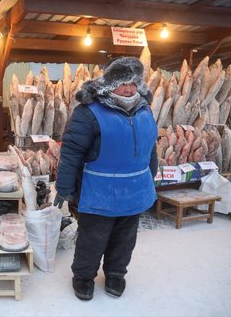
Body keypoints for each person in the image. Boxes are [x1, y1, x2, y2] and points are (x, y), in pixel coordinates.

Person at [54, 57, 158, 301]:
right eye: (123, 83)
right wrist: (64, 186)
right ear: (110, 84)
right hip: (99, 192)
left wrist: (150, 178)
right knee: (93, 238)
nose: (129, 89)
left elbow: (150, 148)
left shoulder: (144, 109)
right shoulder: (89, 112)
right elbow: (71, 151)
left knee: (125, 238)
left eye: (133, 83)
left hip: (134, 191)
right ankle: (83, 276)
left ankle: (115, 274)